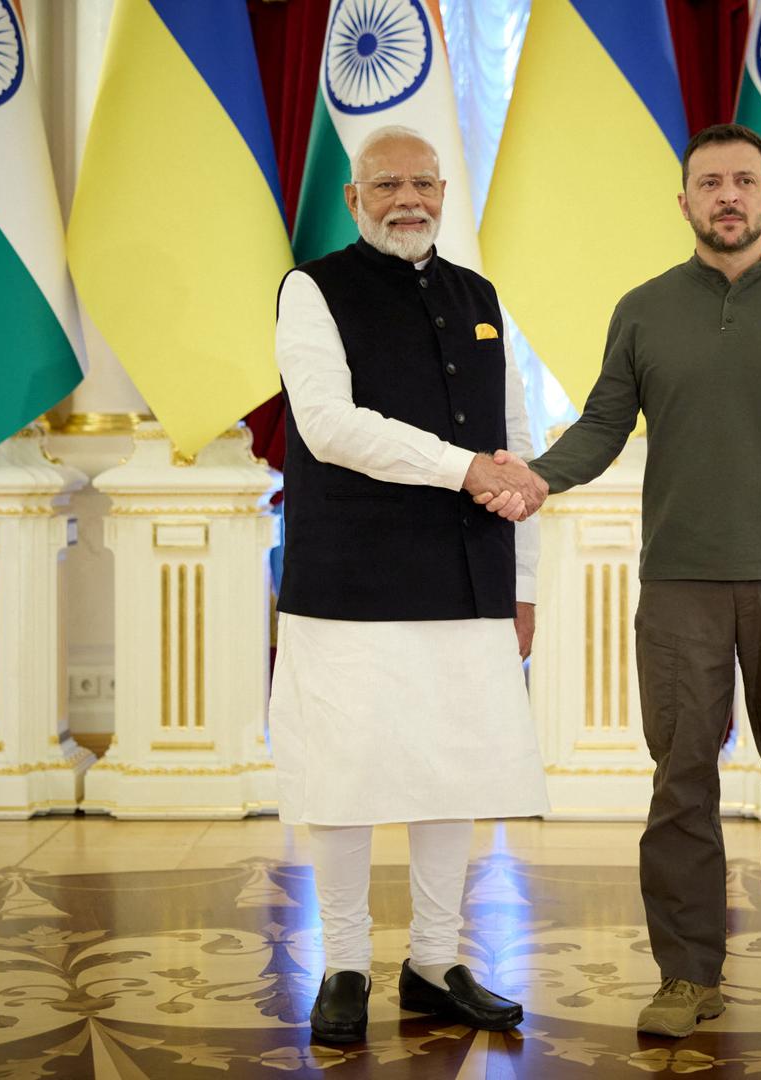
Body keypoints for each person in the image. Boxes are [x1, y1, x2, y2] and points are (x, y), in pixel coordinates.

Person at [483, 123, 761, 1046]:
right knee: (680, 786)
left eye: (745, 180)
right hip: (678, 589)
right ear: (686, 201)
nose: (728, 196)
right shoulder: (646, 309)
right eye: (711, 183)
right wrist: (537, 474)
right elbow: (602, 425)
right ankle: (685, 974)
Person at [269, 124, 548, 1046]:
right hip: (347, 576)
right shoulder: (313, 289)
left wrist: (527, 580)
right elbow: (330, 426)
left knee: (451, 770)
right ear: (354, 199)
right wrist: (464, 467)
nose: (409, 200)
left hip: (471, 576)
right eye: (387, 184)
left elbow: (513, 444)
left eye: (424, 184)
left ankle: (434, 961)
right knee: (344, 779)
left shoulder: (477, 295)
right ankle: (343, 962)